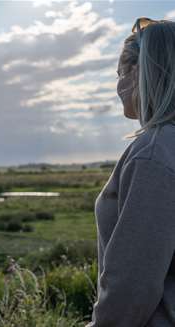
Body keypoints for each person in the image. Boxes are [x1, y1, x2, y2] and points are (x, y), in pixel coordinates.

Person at [86, 17, 175, 326]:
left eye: (121, 72)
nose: (117, 85)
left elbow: (132, 286)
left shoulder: (153, 153)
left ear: (142, 71)